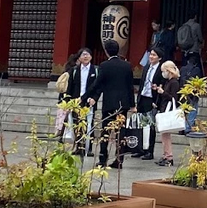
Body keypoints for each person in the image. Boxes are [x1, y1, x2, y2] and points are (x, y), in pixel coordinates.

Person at [85, 39, 135, 168]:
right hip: (123, 103)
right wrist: (132, 104)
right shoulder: (127, 65)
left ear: (106, 51)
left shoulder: (104, 65)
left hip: (109, 103)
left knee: (105, 131)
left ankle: (103, 159)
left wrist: (86, 96)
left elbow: (98, 84)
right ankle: (119, 160)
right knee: (120, 132)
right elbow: (130, 86)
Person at [64, 48, 98, 156]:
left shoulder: (95, 70)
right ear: (79, 58)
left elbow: (98, 87)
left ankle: (89, 148)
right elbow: (69, 88)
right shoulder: (74, 71)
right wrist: (67, 102)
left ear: (91, 57)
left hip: (89, 101)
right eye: (83, 55)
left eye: (87, 54)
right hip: (76, 101)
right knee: (77, 124)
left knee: (89, 124)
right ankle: (78, 146)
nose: (85, 57)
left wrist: (95, 98)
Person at [135, 46, 162, 160]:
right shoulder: (146, 67)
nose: (151, 57)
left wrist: (157, 100)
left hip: (152, 99)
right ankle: (140, 148)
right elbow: (142, 83)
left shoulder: (161, 69)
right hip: (143, 97)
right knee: (141, 124)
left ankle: (149, 151)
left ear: (159, 58)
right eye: (151, 54)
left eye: (154, 55)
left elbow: (162, 85)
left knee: (150, 125)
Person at [153, 60, 181, 166]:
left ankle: (169, 156)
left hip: (168, 110)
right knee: (164, 135)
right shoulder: (168, 82)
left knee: (166, 135)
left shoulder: (174, 82)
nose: (163, 73)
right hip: (164, 108)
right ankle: (165, 155)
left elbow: (174, 98)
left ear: (168, 71)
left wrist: (163, 92)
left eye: (164, 71)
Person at [178, 50, 203, 133]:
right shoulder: (197, 70)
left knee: (183, 111)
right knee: (192, 110)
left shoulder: (182, 69)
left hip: (183, 92)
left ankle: (181, 128)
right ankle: (188, 128)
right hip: (193, 93)